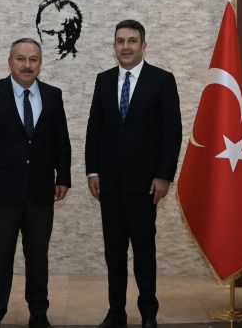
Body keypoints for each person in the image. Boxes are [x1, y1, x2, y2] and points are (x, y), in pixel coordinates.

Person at [85, 20, 182, 328]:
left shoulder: (162, 80)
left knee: (144, 251)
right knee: (113, 253)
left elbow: (172, 133)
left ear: (143, 45)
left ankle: (148, 313)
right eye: (120, 41)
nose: (125, 46)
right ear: (114, 46)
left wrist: (164, 175)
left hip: (145, 185)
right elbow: (94, 129)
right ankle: (116, 312)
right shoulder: (103, 80)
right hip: (109, 184)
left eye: (132, 40)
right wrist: (92, 170)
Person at [0, 38, 72, 328]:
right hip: (1, 191)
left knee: (38, 256)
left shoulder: (53, 95)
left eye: (33, 59)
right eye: (21, 59)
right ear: (10, 62)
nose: (27, 65)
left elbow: (62, 142)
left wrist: (63, 177)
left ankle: (38, 312)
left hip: (41, 191)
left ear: (40, 63)